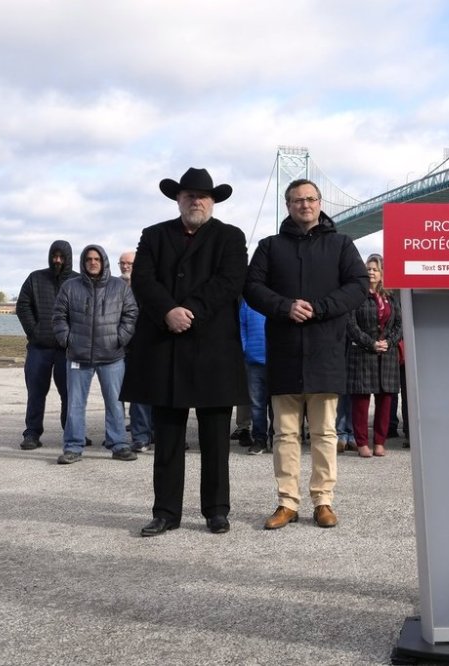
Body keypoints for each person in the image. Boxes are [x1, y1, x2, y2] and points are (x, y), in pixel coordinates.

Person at [122, 167, 249, 536]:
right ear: (178, 199)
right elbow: (143, 281)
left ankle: (216, 510)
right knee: (168, 439)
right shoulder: (154, 235)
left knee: (215, 439)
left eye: (203, 195)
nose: (196, 200)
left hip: (213, 350)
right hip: (165, 347)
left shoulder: (230, 236)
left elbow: (230, 281)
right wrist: (167, 312)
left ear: (213, 201)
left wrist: (188, 312)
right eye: (189, 195)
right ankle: (165, 512)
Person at [244, 178, 368, 530]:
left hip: (326, 350)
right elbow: (252, 288)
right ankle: (287, 502)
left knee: (325, 433)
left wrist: (322, 307)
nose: (305, 205)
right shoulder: (270, 246)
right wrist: (285, 307)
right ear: (287, 205)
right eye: (298, 200)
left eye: (311, 199)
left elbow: (358, 285)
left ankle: (323, 501)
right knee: (284, 434)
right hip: (284, 351)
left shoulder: (342, 244)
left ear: (320, 202)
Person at [52, 245, 139, 464]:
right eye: (89, 259)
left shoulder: (119, 287)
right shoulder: (70, 287)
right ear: (83, 261)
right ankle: (73, 447)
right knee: (75, 404)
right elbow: (59, 316)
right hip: (77, 356)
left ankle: (118, 444)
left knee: (114, 403)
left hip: (112, 356)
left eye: (97, 259)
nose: (93, 262)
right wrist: (67, 340)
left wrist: (119, 339)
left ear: (104, 262)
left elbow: (131, 314)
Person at [15, 241, 78, 450]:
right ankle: (32, 433)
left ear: (68, 257)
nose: (57, 260)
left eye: (61, 256)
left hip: (67, 350)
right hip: (38, 348)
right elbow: (22, 305)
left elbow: (86, 311)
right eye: (54, 255)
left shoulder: (78, 280)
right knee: (35, 391)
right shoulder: (35, 278)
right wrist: (35, 331)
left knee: (69, 392)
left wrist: (74, 336)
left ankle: (71, 433)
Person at [347, 254, 402, 458]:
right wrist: (371, 343)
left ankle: (380, 441)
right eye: (368, 269)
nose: (371, 272)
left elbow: (399, 324)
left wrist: (389, 342)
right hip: (362, 354)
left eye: (375, 269)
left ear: (382, 274)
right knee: (360, 402)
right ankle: (362, 443)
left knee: (386, 400)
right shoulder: (356, 295)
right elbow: (350, 325)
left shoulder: (391, 298)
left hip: (386, 356)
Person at [119, 250, 154, 453]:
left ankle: (154, 433)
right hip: (123, 347)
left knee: (153, 393)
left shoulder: (147, 285)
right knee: (135, 395)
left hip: (148, 345)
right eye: (122, 263)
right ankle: (140, 436)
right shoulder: (114, 286)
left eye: (129, 263)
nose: (125, 266)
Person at [239, 299, 271, 455]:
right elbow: (241, 326)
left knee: (276, 405)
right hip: (253, 361)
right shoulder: (248, 302)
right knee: (257, 404)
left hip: (277, 360)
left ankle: (276, 438)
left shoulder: (278, 296)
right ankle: (259, 440)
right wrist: (245, 349)